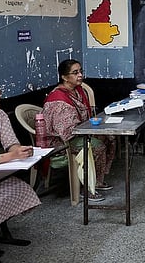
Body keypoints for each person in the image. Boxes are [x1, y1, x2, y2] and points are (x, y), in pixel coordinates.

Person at [0, 82, 41, 262]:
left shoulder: (0, 116)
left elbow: (10, 142)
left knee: (18, 188)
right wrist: (8, 157)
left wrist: (18, 151)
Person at [42, 59, 116, 202]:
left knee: (109, 137)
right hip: (61, 141)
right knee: (97, 147)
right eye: (75, 73)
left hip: (79, 132)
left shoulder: (77, 91)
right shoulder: (58, 101)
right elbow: (66, 132)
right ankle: (87, 188)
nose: (80, 75)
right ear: (64, 77)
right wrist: (89, 131)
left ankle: (98, 181)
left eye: (81, 71)